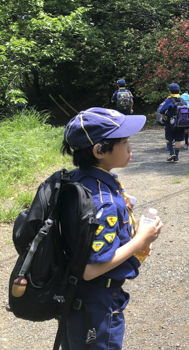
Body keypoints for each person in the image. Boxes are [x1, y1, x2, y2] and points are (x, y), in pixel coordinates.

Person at [60, 107, 163, 349]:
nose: (130, 148)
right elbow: (90, 270)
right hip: (96, 302)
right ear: (99, 150)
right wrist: (141, 240)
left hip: (75, 296)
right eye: (125, 141)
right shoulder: (102, 201)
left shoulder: (80, 179)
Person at [159, 83, 186, 162]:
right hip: (181, 122)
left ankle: (171, 153)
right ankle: (176, 156)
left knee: (168, 138)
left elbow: (162, 110)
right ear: (179, 91)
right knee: (178, 139)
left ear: (170, 92)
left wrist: (164, 117)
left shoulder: (169, 100)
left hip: (170, 122)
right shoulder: (182, 100)